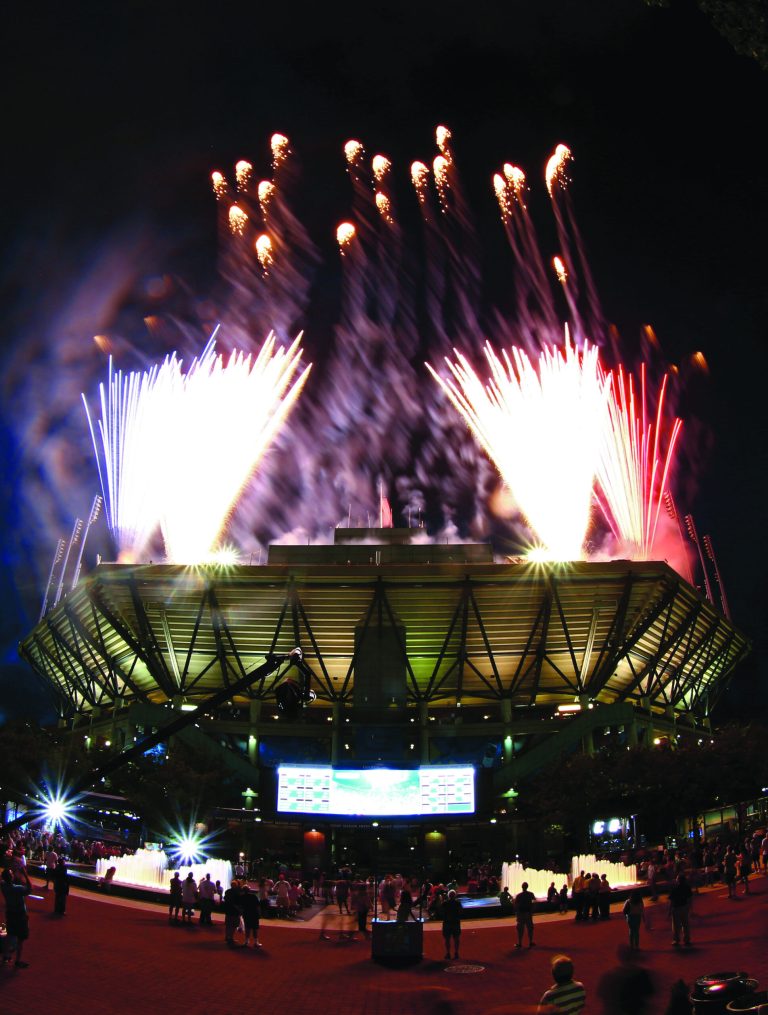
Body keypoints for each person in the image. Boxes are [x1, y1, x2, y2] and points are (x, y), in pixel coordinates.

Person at [1, 868, 31, 968]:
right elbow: (30, 889)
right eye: (11, 874)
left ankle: (5, 957)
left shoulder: (3, 886)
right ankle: (17, 961)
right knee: (20, 939)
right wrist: (25, 874)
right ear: (11, 877)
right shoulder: (17, 888)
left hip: (10, 913)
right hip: (20, 915)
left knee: (9, 935)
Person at [668, 872, 692, 947]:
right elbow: (689, 898)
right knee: (685, 924)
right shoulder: (687, 887)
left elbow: (671, 901)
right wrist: (689, 907)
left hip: (676, 908)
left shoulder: (674, 888)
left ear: (678, 880)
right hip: (684, 907)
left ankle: (676, 940)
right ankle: (686, 939)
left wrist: (669, 910)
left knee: (676, 925)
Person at [441, 888, 462, 961]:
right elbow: (460, 912)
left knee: (447, 939)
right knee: (456, 938)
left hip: (447, 923)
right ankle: (456, 953)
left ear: (448, 896)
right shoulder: (458, 903)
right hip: (456, 922)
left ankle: (448, 953)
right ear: (455, 895)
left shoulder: (445, 903)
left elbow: (441, 912)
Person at [514, 881, 536, 948]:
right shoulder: (530, 894)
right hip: (528, 913)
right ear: (527, 887)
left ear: (522, 887)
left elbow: (516, 905)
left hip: (521, 914)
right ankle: (530, 942)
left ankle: (520, 943)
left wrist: (517, 913)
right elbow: (534, 901)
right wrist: (532, 909)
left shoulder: (519, 895)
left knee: (520, 929)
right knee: (530, 928)